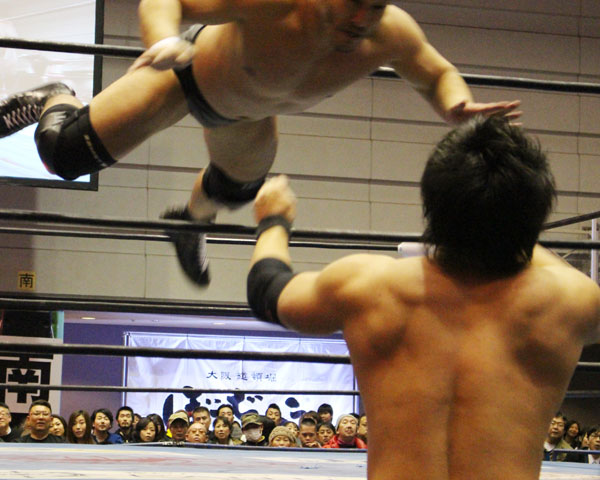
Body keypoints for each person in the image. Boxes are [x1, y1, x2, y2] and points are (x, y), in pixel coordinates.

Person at [0, 0, 520, 288]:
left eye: (375, 6)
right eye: (352, 4)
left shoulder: (392, 33)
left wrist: (454, 104)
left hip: (244, 114)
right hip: (184, 77)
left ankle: (188, 224)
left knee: (237, 188)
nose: (361, 20)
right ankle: (54, 95)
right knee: (64, 155)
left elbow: (436, 73)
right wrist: (163, 40)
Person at [245, 116, 600, 480]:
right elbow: (531, 253)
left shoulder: (368, 286)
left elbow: (266, 290)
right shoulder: (571, 301)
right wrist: (508, 208)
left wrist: (273, 221)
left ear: (432, 206)